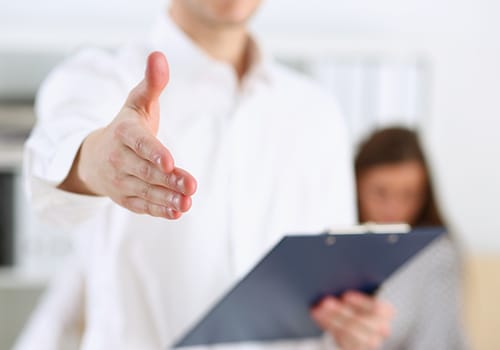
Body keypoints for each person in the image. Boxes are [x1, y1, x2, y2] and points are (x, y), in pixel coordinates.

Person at [19, 1, 396, 349]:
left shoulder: (317, 113)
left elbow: (328, 289)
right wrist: (96, 163)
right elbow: (53, 168)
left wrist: (348, 328)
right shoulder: (99, 80)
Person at [311, 127, 469, 349]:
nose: (393, 208)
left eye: (409, 195)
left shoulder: (436, 253)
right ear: (355, 185)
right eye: (380, 192)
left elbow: (435, 343)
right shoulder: (330, 244)